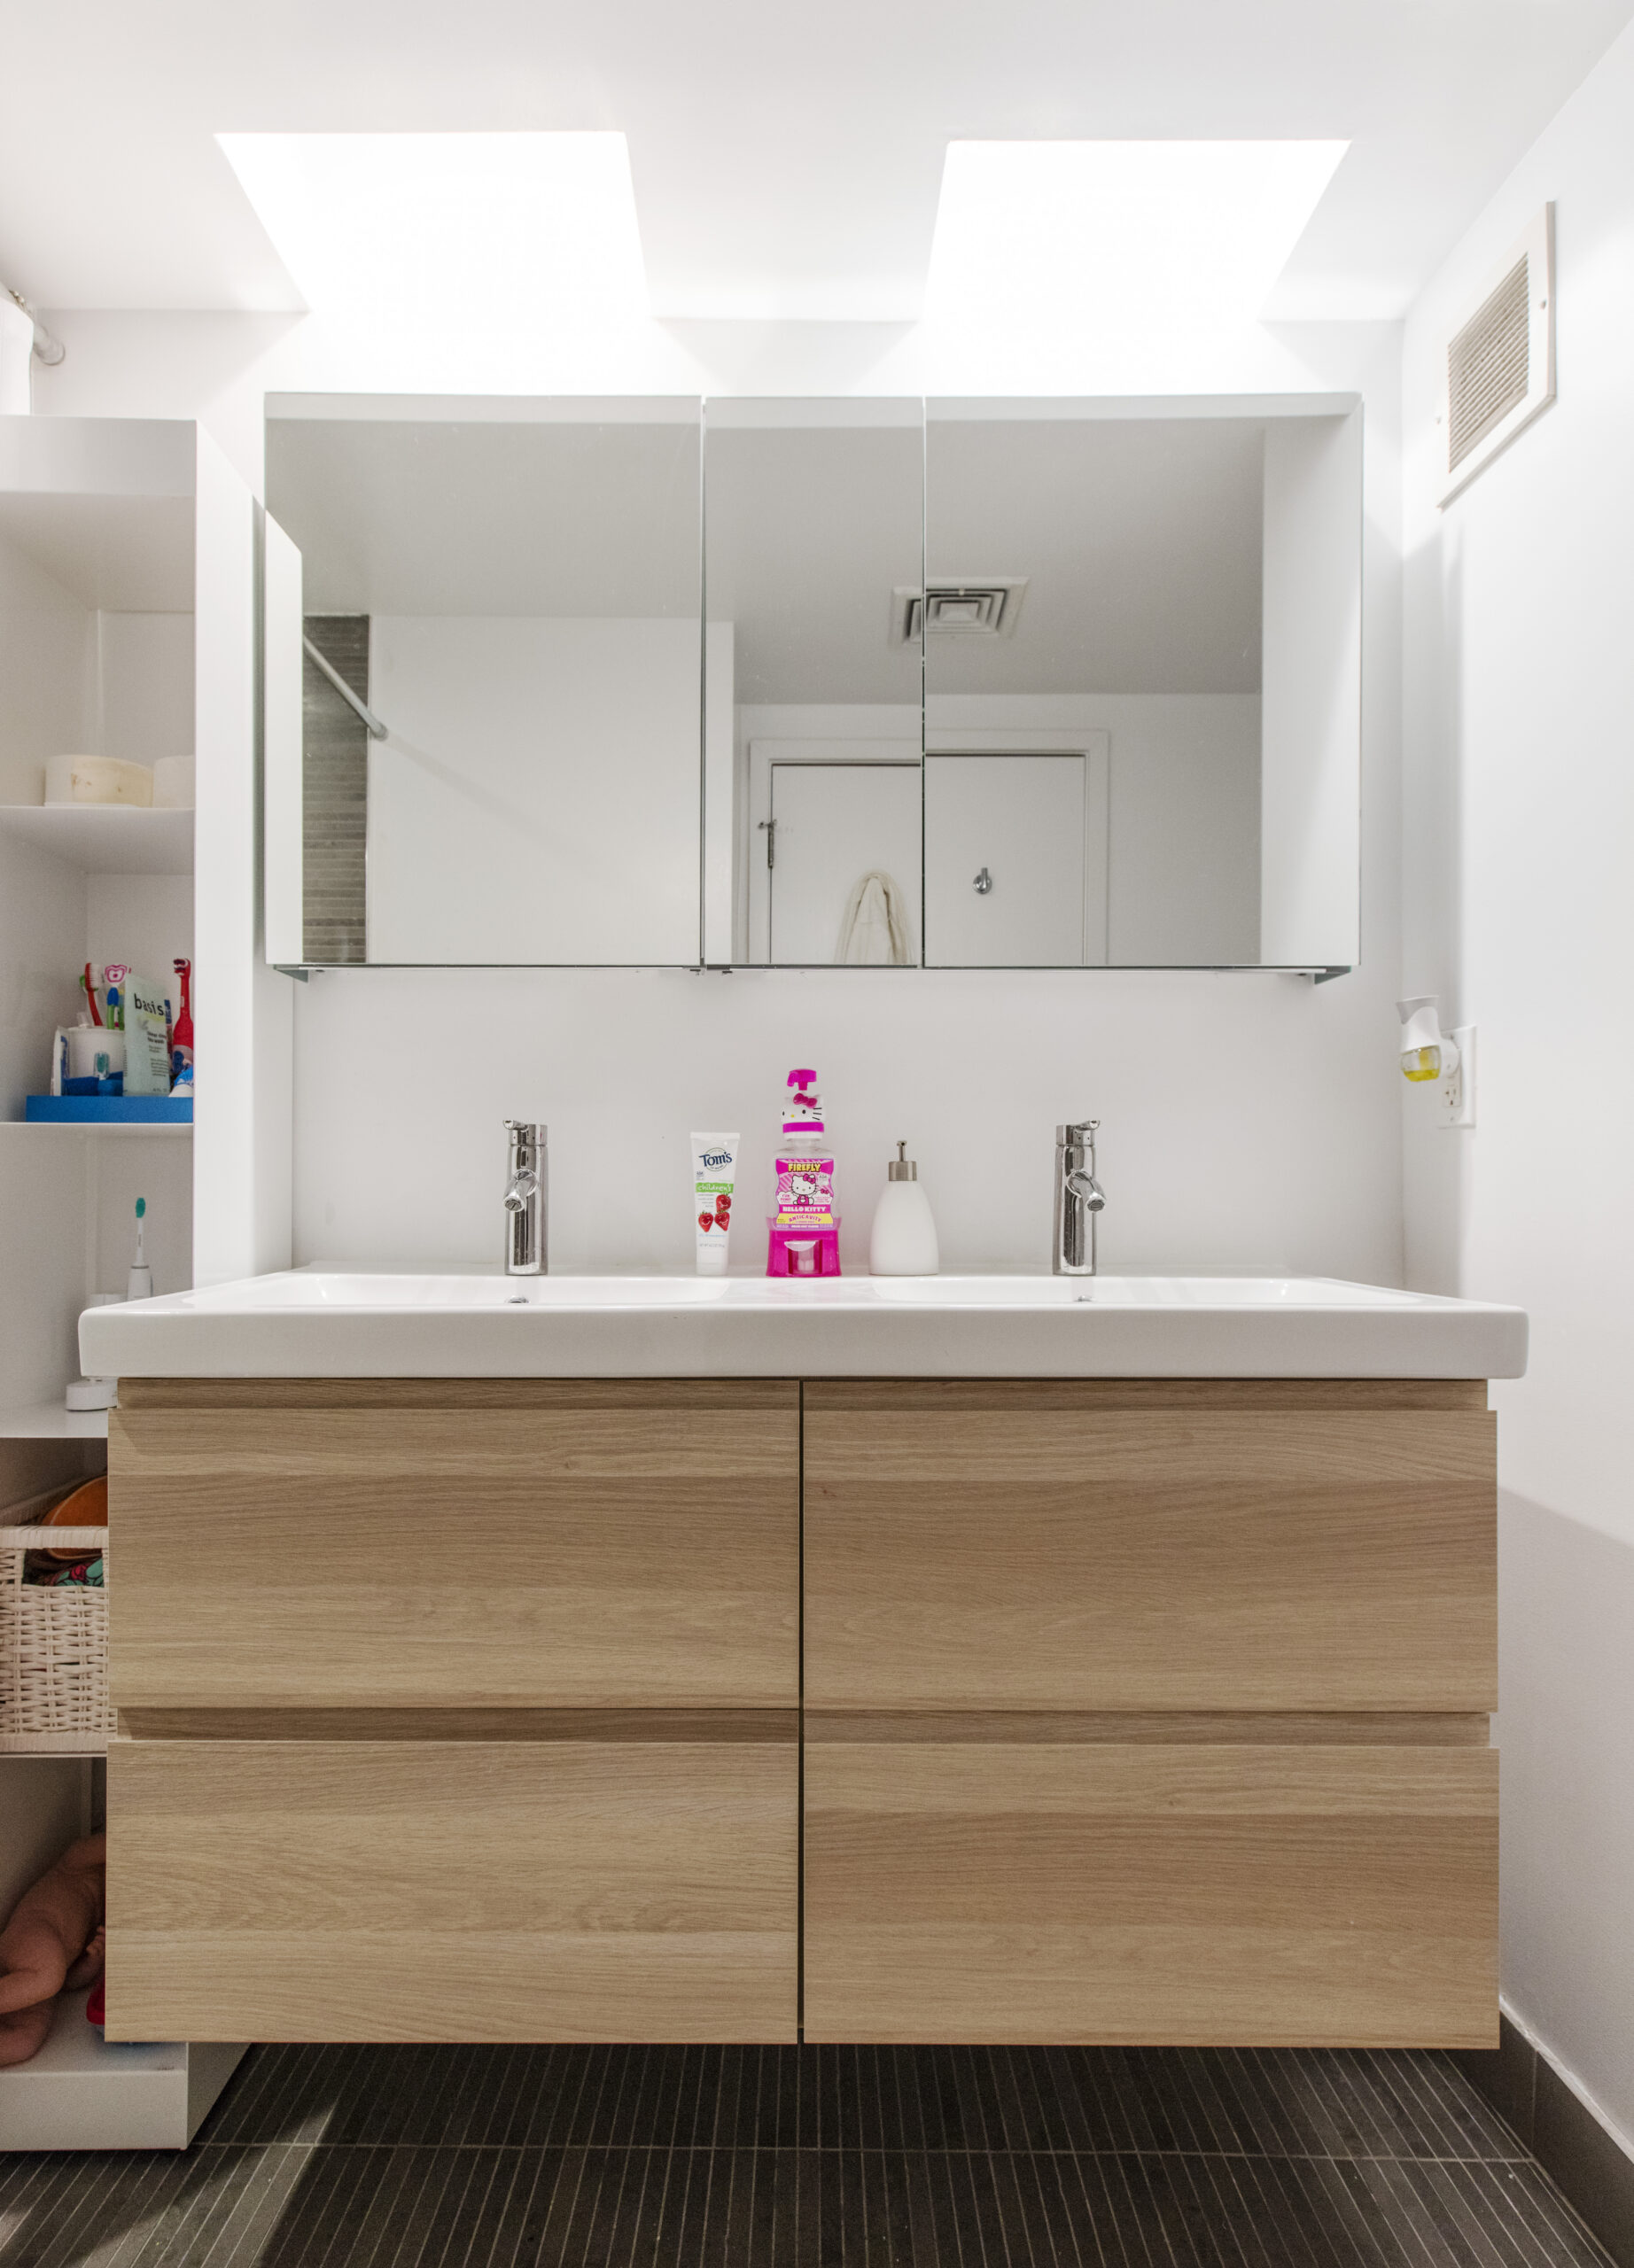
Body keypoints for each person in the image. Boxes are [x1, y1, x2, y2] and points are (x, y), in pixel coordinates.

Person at [0, 1833, 106, 2066]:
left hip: (42, 1977)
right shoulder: (75, 1866)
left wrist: (92, 1962)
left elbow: (70, 1982)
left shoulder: (103, 1915)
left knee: (24, 2041)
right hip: (32, 1933)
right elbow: (117, 1843)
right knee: (48, 1978)